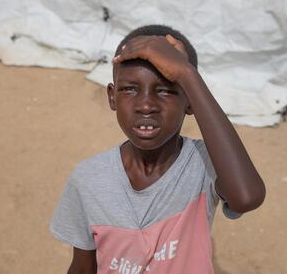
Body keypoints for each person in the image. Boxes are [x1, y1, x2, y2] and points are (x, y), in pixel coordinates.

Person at [50, 25, 266, 274]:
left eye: (165, 90)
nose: (146, 105)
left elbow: (247, 196)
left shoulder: (204, 164)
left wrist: (186, 73)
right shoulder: (88, 179)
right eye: (130, 89)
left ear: (190, 100)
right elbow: (82, 268)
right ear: (112, 97)